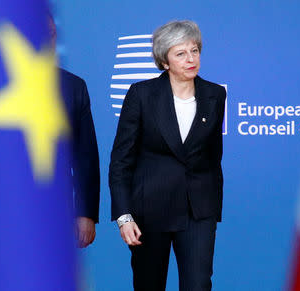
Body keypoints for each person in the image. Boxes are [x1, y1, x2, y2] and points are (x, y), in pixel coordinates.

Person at [109, 20, 226, 290]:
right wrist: (124, 216)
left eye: (195, 50)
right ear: (164, 62)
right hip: (149, 211)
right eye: (181, 53)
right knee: (149, 284)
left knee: (198, 285)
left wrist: (211, 208)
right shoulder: (141, 94)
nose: (191, 59)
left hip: (198, 211)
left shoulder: (215, 95)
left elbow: (213, 157)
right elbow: (121, 160)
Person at [48, 13, 100, 248]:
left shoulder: (73, 86)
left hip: (55, 208)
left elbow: (85, 156)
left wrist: (85, 213)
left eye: (49, 33)